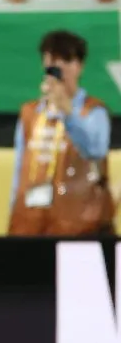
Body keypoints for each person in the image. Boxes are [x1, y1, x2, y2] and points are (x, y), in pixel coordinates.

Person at [8, 30, 113, 236]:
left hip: (82, 227)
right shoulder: (30, 113)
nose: (60, 68)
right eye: (53, 61)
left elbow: (95, 150)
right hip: (31, 226)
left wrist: (68, 112)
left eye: (67, 60)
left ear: (79, 66)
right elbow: (19, 172)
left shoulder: (93, 111)